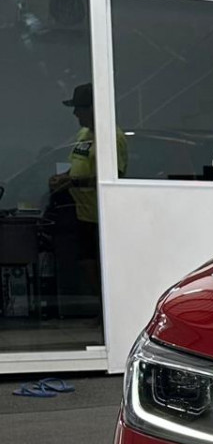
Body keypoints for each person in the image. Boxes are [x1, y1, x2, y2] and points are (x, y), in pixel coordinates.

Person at [47, 84, 128, 317]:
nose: (75, 114)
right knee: (86, 262)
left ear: (94, 108)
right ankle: (102, 311)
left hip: (101, 214)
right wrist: (63, 177)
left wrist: (73, 183)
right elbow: (77, 166)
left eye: (79, 108)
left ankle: (111, 314)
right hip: (82, 212)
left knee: (102, 265)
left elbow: (113, 176)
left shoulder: (112, 137)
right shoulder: (83, 135)